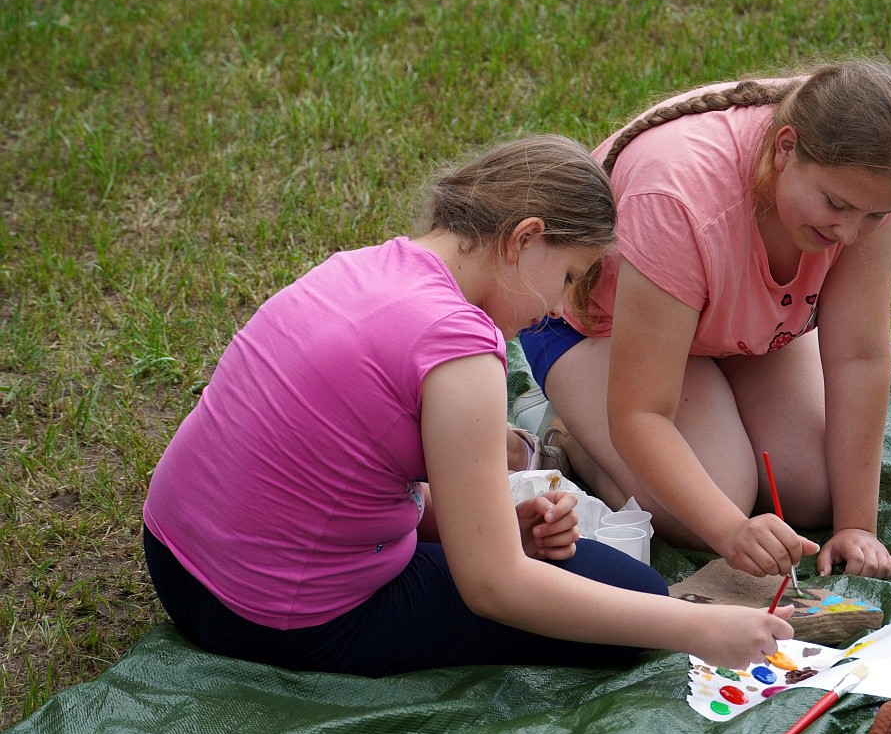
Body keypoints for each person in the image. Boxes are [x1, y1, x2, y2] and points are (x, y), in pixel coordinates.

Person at [142, 134, 794, 677]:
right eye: (568, 277)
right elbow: (493, 588)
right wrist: (699, 626)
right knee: (634, 599)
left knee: (573, 572)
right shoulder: (462, 351)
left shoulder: (365, 266)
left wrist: (494, 524)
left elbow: (336, 470)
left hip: (176, 561)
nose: (559, 308)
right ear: (524, 238)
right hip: (273, 615)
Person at [520, 61, 891, 582]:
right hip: (598, 325)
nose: (851, 234)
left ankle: (710, 393)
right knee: (711, 501)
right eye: (837, 206)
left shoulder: (867, 184)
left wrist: (857, 526)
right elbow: (641, 413)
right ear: (784, 148)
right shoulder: (677, 197)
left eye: (874, 216)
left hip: (731, 326)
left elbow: (858, 355)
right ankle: (566, 432)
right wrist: (730, 530)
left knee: (813, 489)